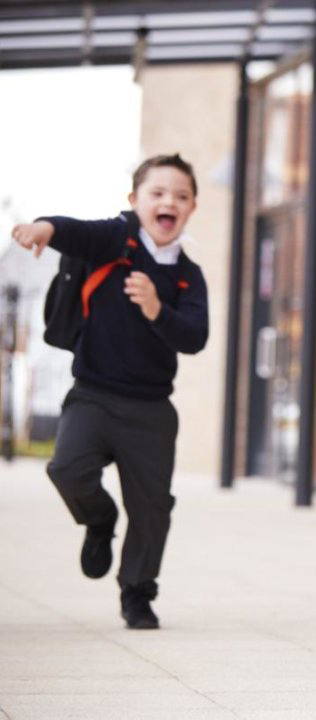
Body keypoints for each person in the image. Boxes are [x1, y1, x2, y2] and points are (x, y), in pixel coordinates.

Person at [11, 154, 209, 630]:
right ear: (134, 201)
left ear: (192, 207)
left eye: (180, 197)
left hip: (152, 409)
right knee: (66, 469)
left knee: (152, 507)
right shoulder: (113, 241)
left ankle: (138, 593)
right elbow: (73, 230)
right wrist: (43, 228)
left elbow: (195, 338)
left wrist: (157, 309)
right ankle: (100, 522)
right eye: (157, 193)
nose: (169, 203)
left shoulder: (188, 275)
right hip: (93, 395)